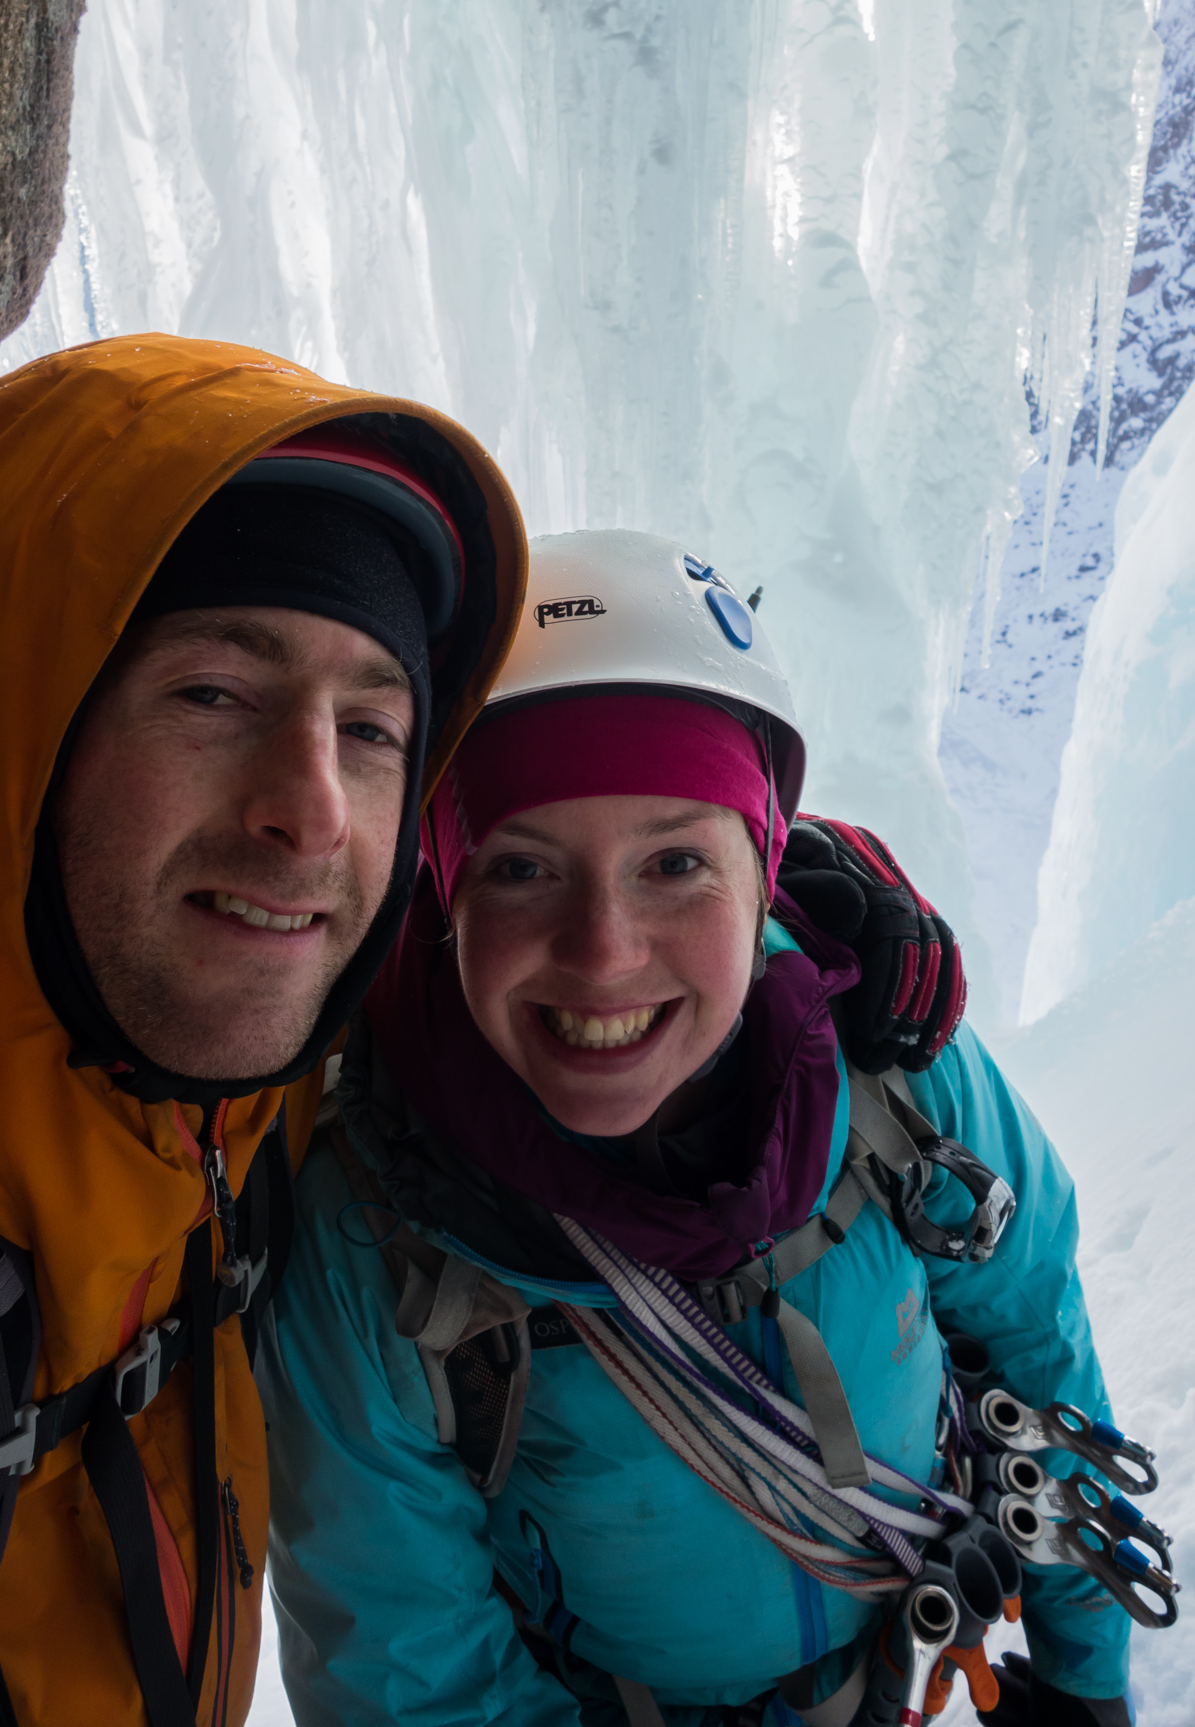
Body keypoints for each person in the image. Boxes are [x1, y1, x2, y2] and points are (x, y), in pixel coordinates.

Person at [260, 529, 1135, 1727]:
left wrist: (1086, 1679)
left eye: (674, 860)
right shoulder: (372, 1234)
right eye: (519, 868)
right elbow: (414, 1676)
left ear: (766, 866)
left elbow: (1038, 1357)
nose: (603, 951)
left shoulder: (895, 1078)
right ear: (443, 898)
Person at [0, 332, 526, 1727]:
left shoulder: (218, 1072)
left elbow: (588, 1002)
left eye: (371, 730)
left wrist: (788, 945)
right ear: (10, 738)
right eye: (213, 693)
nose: (313, 815)